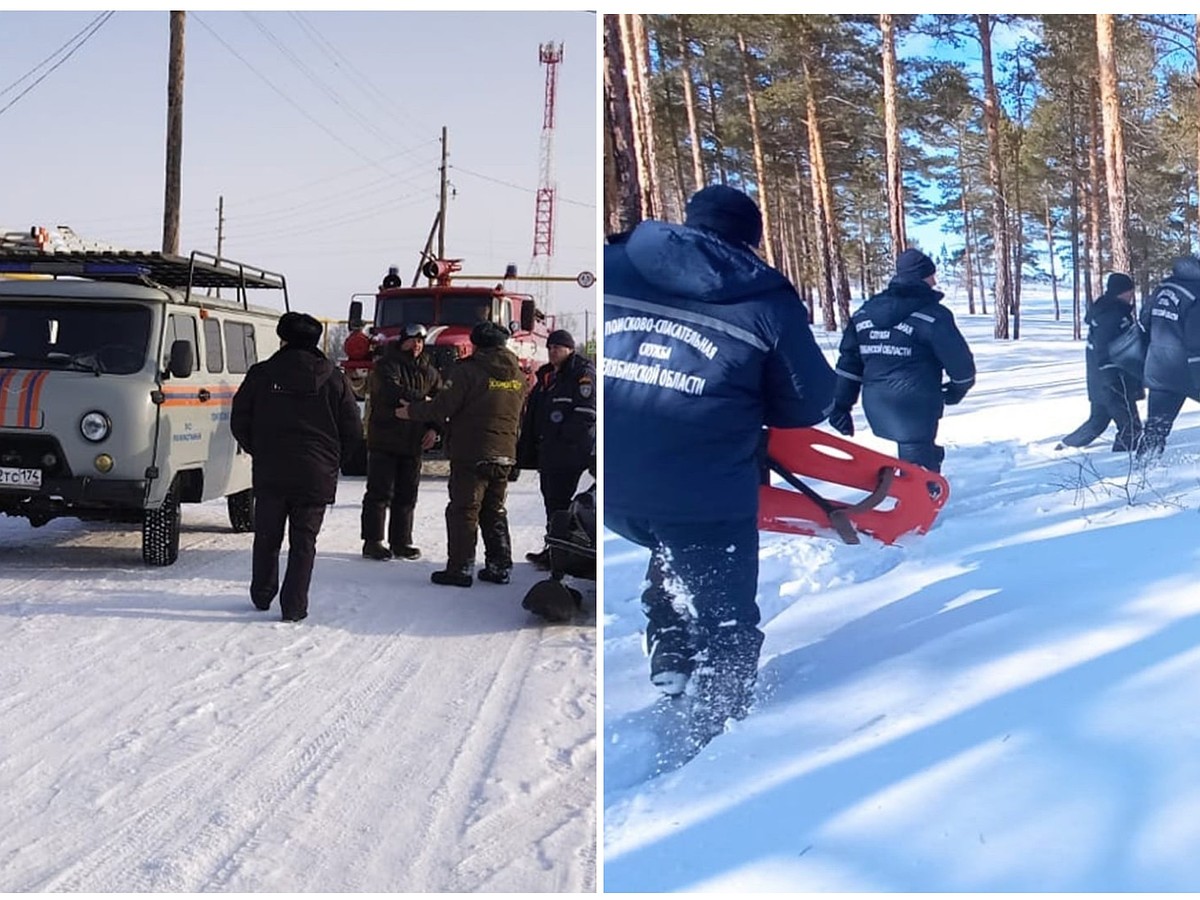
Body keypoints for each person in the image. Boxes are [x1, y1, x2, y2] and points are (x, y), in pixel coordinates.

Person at [604, 184, 837, 742]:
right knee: (725, 613)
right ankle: (720, 733)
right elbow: (810, 402)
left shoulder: (615, 261)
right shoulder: (763, 298)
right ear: (750, 239)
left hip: (612, 484)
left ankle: (670, 651)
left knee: (668, 536)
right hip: (703, 488)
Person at [230, 311, 362, 622]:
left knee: (266, 536)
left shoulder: (261, 374)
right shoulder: (334, 377)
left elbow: (240, 420)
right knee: (304, 543)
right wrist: (332, 461)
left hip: (271, 469)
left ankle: (262, 595)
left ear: (283, 339)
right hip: (316, 474)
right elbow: (353, 430)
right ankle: (294, 607)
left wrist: (259, 450)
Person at [395, 320, 526, 587]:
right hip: (505, 452)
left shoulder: (467, 371)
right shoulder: (518, 375)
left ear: (477, 344)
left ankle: (460, 568)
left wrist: (411, 411)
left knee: (464, 510)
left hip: (472, 451)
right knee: (495, 509)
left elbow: (444, 406)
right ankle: (499, 566)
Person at [827, 247, 975, 473]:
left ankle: (924, 470)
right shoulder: (933, 316)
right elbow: (961, 364)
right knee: (918, 472)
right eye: (931, 276)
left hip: (877, 405)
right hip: (917, 406)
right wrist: (958, 389)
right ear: (922, 277)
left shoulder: (864, 314)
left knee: (916, 453)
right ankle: (922, 497)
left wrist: (840, 404)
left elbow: (849, 364)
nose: (934, 282)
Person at [360, 323, 443, 561]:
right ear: (402, 341)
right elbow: (390, 392)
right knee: (379, 493)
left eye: (420, 341)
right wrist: (423, 401)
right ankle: (373, 541)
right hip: (385, 440)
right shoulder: (386, 365)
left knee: (407, 495)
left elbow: (441, 402)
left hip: (413, 441)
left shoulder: (430, 371)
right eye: (412, 340)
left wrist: (433, 427)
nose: (416, 346)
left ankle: (401, 541)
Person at [517, 328, 597, 569]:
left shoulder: (581, 374)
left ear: (570, 349)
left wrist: (561, 437)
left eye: (558, 348)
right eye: (550, 347)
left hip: (570, 454)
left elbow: (586, 414)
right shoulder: (547, 377)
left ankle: (562, 557)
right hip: (549, 454)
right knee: (551, 503)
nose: (553, 352)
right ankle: (553, 548)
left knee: (562, 505)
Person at [1058, 273, 1143, 452]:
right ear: (1121, 292)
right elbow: (1103, 348)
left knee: (1098, 421)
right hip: (1112, 380)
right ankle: (1123, 465)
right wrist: (1111, 376)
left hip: (1102, 379)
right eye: (1129, 291)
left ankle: (1065, 445)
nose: (1131, 295)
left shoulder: (1111, 311)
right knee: (1131, 428)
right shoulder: (1112, 315)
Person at [1138, 256, 1200, 458]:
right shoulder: (1196, 293)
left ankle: (1144, 468)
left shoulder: (1163, 288)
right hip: (1187, 369)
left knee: (1156, 426)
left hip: (1158, 366)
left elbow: (1144, 320)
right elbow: (1195, 338)